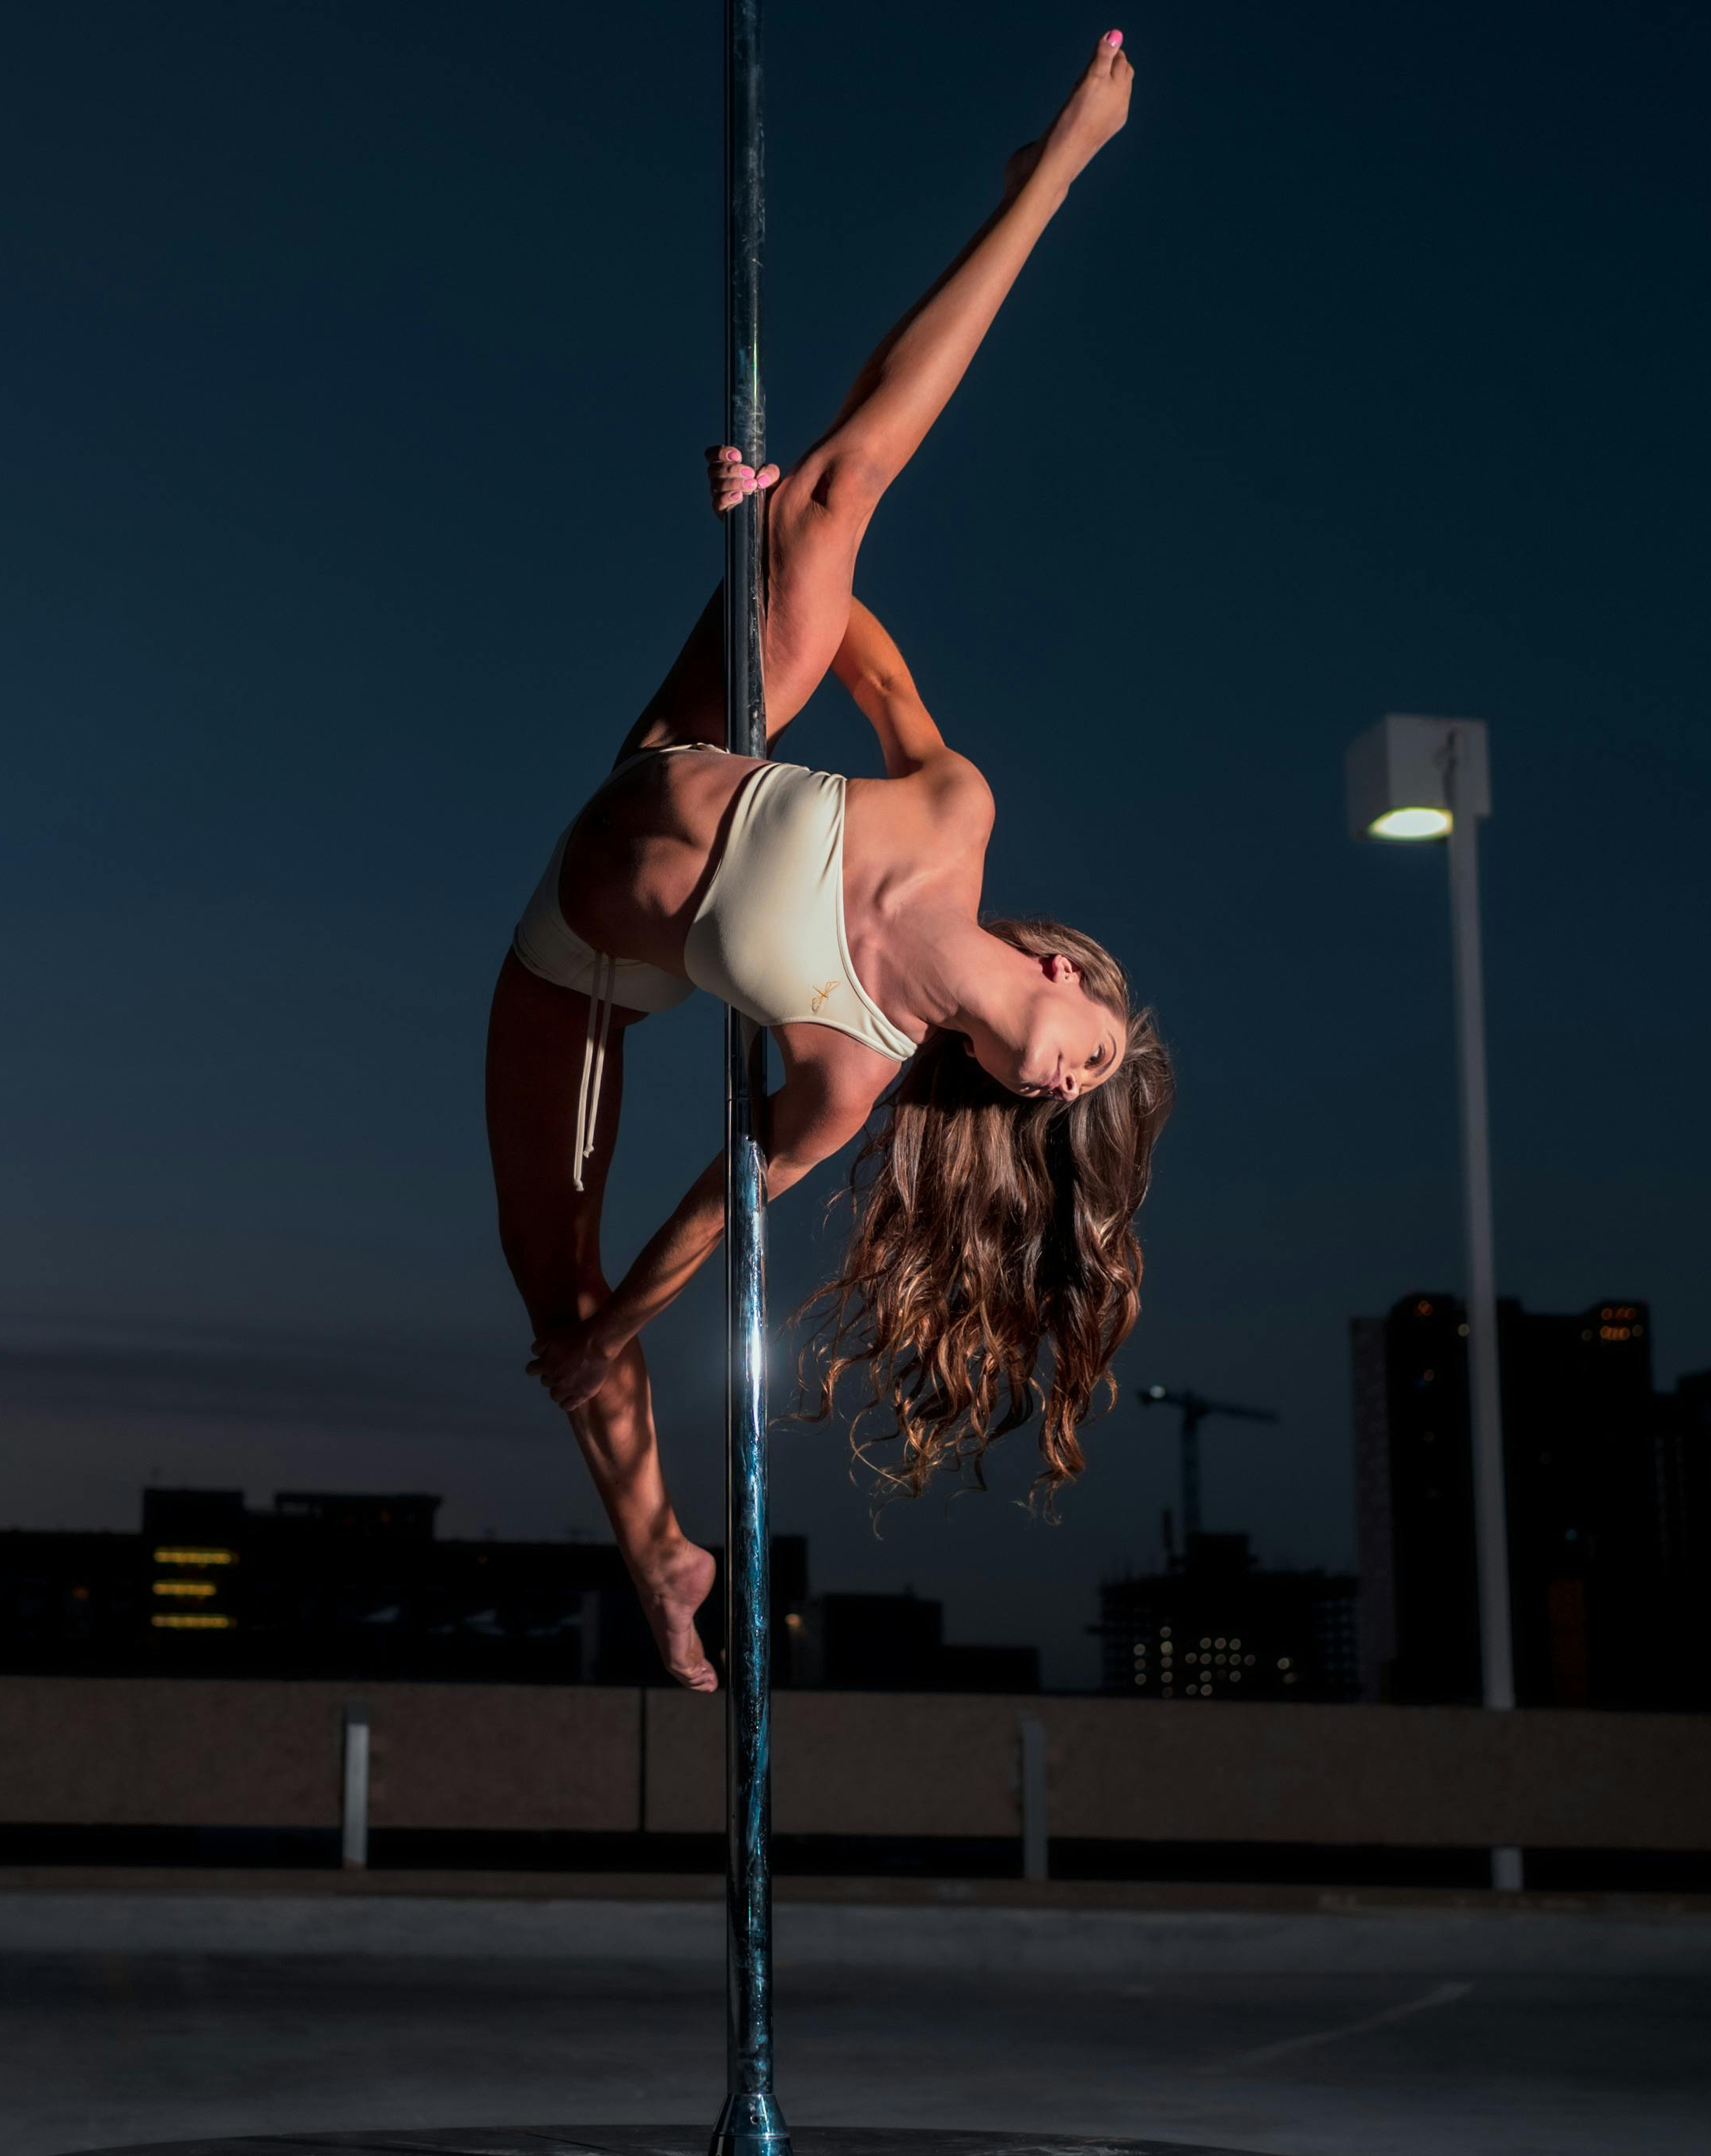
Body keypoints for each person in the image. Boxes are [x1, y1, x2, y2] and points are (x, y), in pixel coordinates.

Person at [483, 29, 1172, 1691]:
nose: (1068, 1084)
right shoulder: (955, 814)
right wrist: (770, 524)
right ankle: (1052, 177)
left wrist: (613, 1329)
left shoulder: (853, 1073)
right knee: (844, 487)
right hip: (681, 745)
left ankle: (659, 1561)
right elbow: (864, 664)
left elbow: (724, 1205)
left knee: (551, 1281)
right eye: (1095, 1060)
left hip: (573, 954)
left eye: (1061, 1103)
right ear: (1066, 977)